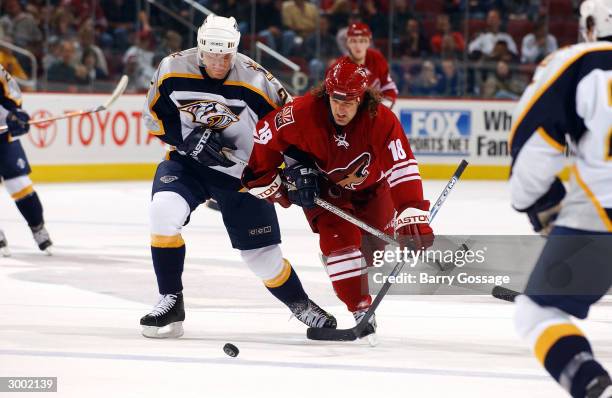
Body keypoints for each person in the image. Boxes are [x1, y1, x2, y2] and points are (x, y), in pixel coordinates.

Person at [140, 15, 336, 339]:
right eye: (213, 55)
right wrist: (186, 140)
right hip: (189, 164)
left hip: (245, 173)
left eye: (226, 55)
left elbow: (290, 125)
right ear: (201, 49)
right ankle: (171, 299)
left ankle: (300, 304)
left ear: (236, 49)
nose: (219, 63)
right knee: (162, 212)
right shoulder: (172, 69)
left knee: (263, 259)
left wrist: (299, 166)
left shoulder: (256, 80)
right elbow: (154, 117)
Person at [242, 60, 435, 342]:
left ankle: (350, 265)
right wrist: (272, 180)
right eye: (336, 100)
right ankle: (360, 309)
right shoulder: (303, 113)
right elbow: (265, 133)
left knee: (374, 250)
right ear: (326, 94)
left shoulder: (381, 119)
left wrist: (411, 209)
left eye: (350, 101)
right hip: (326, 191)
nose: (342, 109)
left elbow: (401, 165)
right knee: (342, 247)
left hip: (374, 190)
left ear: (363, 98)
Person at [509, 1, 612, 396]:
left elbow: (533, 146)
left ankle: (592, 386)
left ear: (592, 23)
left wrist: (539, 203)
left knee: (537, 312)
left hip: (602, 216)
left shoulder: (579, 61)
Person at [0, 65, 53, 254]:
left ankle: (38, 228)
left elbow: (11, 92)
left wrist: (15, 114)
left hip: (3, 137)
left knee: (19, 184)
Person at [331, 22, 398, 109]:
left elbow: (388, 87)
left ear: (369, 42)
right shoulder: (338, 67)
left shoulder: (377, 58)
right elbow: (334, 100)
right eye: (353, 41)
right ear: (347, 43)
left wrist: (381, 110)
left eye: (362, 41)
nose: (358, 46)